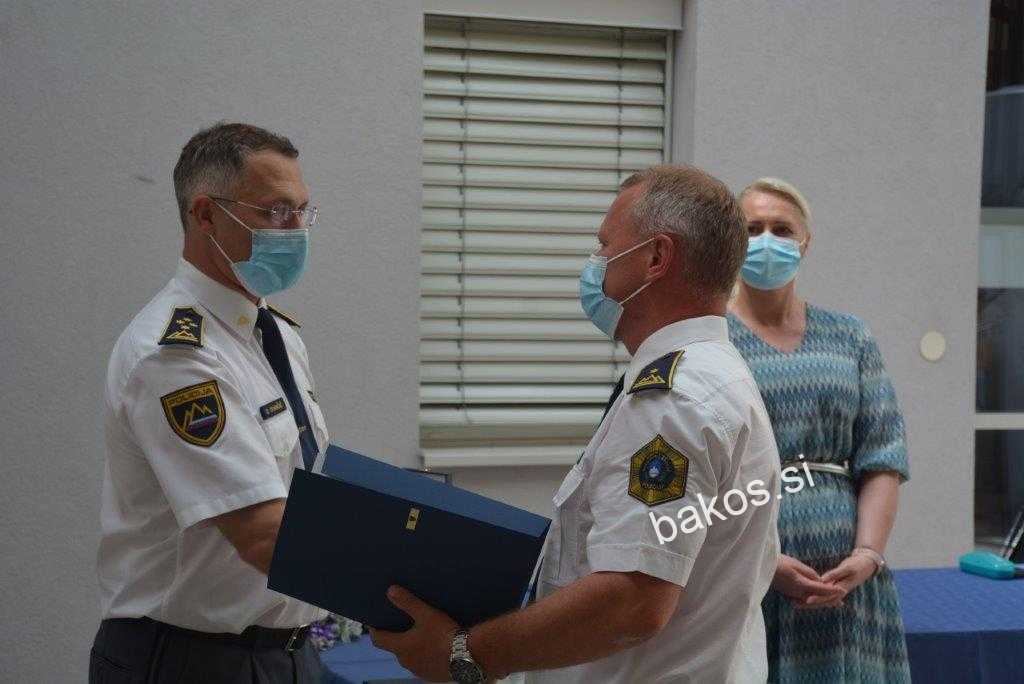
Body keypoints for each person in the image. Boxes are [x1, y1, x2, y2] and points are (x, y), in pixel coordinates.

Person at [370, 165, 782, 683]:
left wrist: (465, 654)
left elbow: (632, 600)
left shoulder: (672, 400)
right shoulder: (714, 374)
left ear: (656, 257)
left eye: (605, 245)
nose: (596, 263)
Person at [90, 122, 331, 683]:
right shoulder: (174, 355)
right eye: (276, 212)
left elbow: (306, 486)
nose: (296, 230)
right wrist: (412, 574)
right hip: (192, 659)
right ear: (205, 215)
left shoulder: (271, 333)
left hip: (286, 653)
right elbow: (264, 535)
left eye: (303, 211)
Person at [727, 177, 911, 682]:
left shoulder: (850, 336)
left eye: (782, 229)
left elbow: (883, 453)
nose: (766, 240)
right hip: (747, 578)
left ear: (805, 242)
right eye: (752, 229)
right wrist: (765, 563)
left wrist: (868, 555)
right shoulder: (711, 339)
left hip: (850, 587)